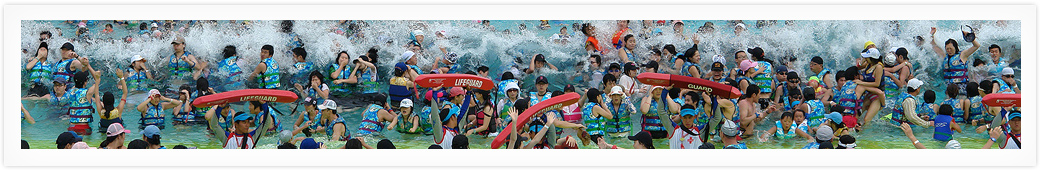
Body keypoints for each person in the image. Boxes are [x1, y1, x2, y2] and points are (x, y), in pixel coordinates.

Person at [930, 27, 981, 93]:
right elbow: (934, 46)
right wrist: (932, 34)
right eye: (947, 49)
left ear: (955, 47)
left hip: (962, 86)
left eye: (951, 48)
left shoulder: (962, 55)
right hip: (949, 87)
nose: (949, 50)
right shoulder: (945, 56)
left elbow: (976, 46)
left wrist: (970, 37)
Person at [66, 65, 101, 135]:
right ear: (85, 82)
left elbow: (76, 86)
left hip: (72, 127)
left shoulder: (70, 92)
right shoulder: (88, 93)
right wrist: (88, 66)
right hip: (84, 127)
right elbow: (98, 80)